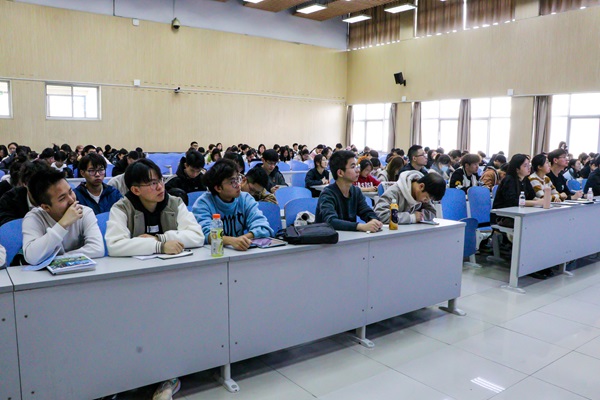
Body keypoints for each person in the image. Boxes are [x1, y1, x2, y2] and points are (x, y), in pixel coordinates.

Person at [105, 159, 204, 257]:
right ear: (135, 190)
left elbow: (197, 236)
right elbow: (114, 245)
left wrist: (160, 239)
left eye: (160, 180)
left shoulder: (175, 203)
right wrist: (159, 246)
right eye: (153, 183)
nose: (160, 187)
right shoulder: (122, 208)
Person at [22, 169, 105, 265]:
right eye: (62, 198)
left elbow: (97, 249)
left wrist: (62, 258)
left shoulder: (85, 212)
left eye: (70, 192)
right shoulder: (34, 218)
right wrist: (62, 224)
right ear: (46, 207)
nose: (71, 200)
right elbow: (32, 257)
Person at [192, 159, 273, 251]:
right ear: (218, 188)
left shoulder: (245, 199)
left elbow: (263, 227)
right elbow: (205, 234)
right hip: (214, 253)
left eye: (238, 179)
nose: (238, 185)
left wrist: (241, 240)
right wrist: (231, 241)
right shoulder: (203, 203)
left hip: (239, 252)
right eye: (232, 182)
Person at [316, 150, 382, 232]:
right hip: (327, 238)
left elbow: (366, 211)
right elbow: (331, 221)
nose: (358, 170)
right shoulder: (327, 194)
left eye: (357, 166)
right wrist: (360, 226)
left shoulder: (356, 191)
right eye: (353, 167)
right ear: (340, 173)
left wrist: (373, 220)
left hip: (349, 238)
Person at [374, 171, 445, 224]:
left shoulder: (424, 193)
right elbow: (381, 215)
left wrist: (420, 216)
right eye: (427, 197)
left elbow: (432, 212)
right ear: (421, 186)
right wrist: (411, 217)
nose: (427, 201)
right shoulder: (394, 192)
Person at [491, 154, 543, 227]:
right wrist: (536, 202)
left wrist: (542, 201)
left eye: (529, 165)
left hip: (518, 213)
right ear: (517, 169)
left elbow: (532, 196)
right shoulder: (509, 180)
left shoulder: (525, 179)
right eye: (525, 166)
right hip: (503, 216)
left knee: (539, 219)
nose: (529, 168)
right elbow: (513, 201)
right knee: (531, 223)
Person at [0, 160, 49, 227]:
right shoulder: (9, 199)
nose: (41, 188)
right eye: (36, 184)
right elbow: (7, 226)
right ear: (25, 183)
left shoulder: (56, 196)